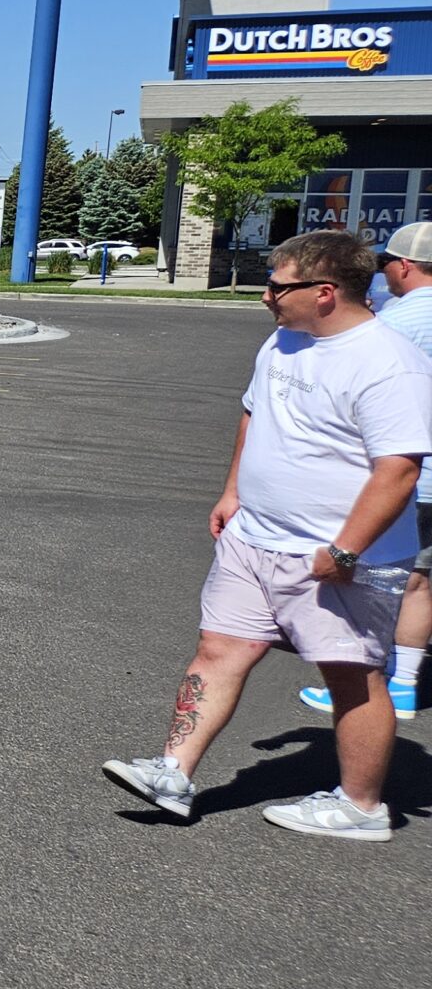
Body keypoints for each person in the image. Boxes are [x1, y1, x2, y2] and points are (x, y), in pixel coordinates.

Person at [101, 231, 432, 842]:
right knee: (219, 650)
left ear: (325, 293)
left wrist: (345, 549)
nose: (266, 297)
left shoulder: (388, 363)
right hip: (254, 538)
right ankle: (173, 773)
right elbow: (256, 414)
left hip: (337, 557)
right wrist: (233, 493)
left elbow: (399, 469)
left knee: (351, 675)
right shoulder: (283, 340)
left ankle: (362, 807)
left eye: (278, 286)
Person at [291, 221, 432, 723]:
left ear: (403, 266)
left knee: (383, 580)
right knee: (424, 580)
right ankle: (409, 681)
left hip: (407, 472)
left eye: (387, 264)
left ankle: (367, 684)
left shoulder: (398, 321)